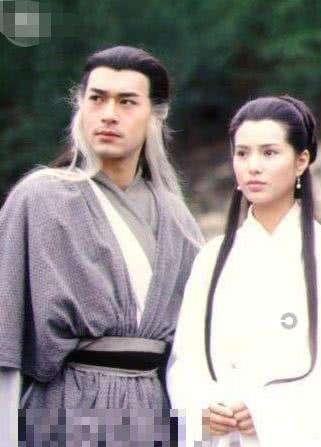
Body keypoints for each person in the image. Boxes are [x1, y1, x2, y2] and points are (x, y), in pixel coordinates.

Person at [0, 46, 203, 446]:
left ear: (156, 115)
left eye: (127, 102)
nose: (109, 114)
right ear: (80, 105)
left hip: (154, 412)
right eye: (97, 98)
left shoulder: (178, 219)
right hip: (66, 411)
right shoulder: (40, 199)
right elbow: (5, 338)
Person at [167, 95, 321, 446]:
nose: (253, 166)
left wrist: (269, 415)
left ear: (301, 161)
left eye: (269, 153)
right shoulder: (211, 258)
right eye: (242, 153)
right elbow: (186, 361)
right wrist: (202, 412)